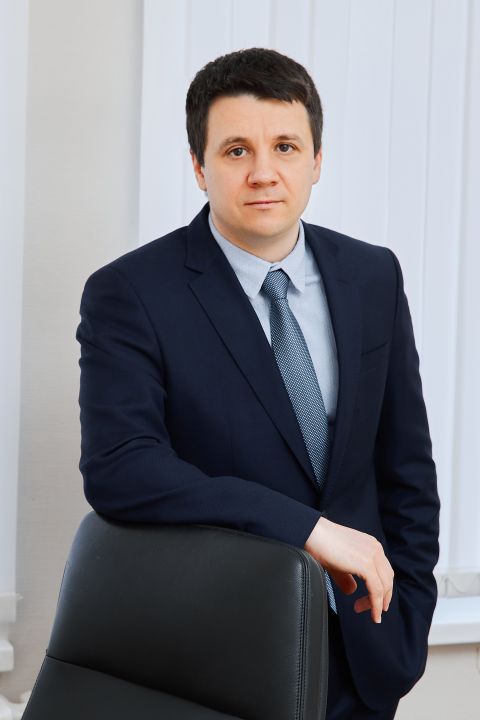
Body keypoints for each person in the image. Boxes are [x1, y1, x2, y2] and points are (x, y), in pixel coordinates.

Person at [76, 48, 440, 719]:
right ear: (199, 166)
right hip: (215, 655)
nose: (264, 173)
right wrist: (306, 528)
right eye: (237, 150)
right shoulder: (130, 293)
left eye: (285, 147)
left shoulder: (373, 276)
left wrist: (408, 623)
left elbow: (406, 467)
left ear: (317, 160)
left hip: (364, 654)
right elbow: (121, 468)